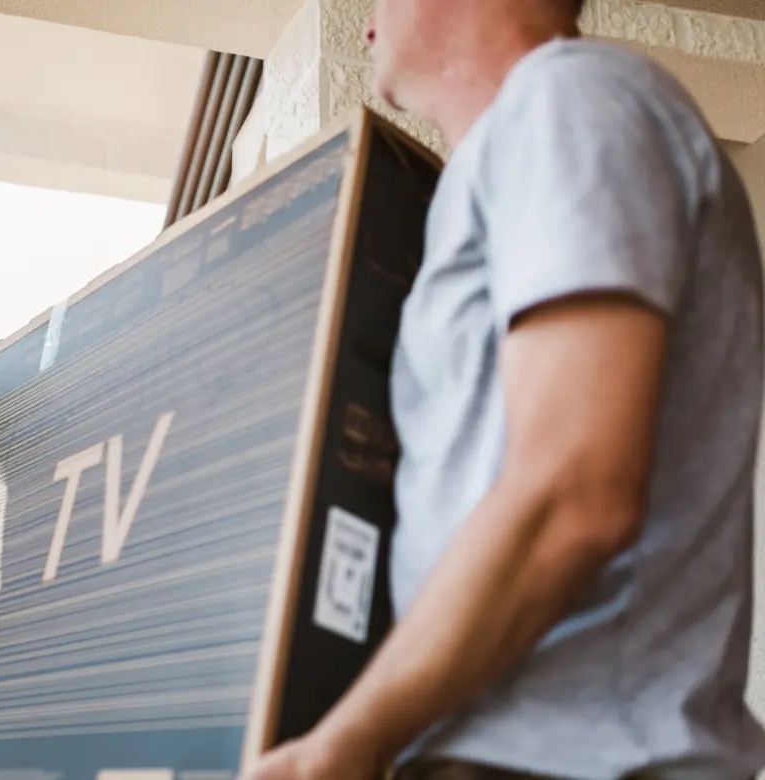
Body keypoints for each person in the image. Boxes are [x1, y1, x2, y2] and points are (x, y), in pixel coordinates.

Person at [248, 0, 765, 778]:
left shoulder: (569, 103)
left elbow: (575, 491)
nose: (366, 19)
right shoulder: (524, 143)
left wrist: (348, 741)